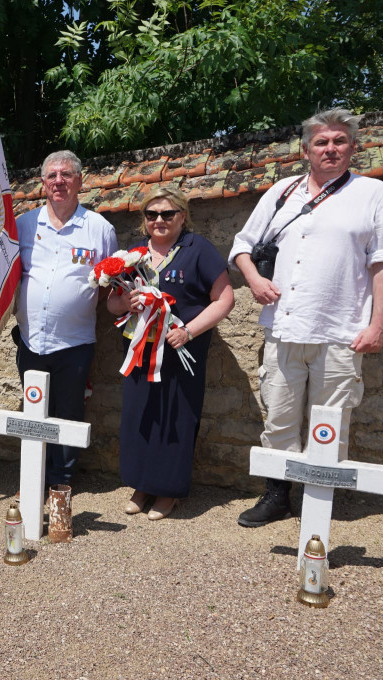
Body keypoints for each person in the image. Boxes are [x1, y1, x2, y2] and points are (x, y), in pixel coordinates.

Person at [229, 108, 383, 527]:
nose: (331, 149)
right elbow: (241, 245)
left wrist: (377, 325)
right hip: (284, 327)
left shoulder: (373, 194)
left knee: (330, 423)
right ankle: (276, 497)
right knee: (280, 418)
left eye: (339, 141)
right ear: (306, 149)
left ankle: (317, 500)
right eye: (321, 142)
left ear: (353, 147)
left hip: (340, 331)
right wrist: (253, 279)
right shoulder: (282, 193)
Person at [107, 186, 235, 520]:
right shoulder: (132, 256)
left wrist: (189, 331)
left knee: (176, 418)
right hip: (139, 352)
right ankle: (141, 484)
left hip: (181, 351)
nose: (159, 220)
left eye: (167, 214)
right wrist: (123, 302)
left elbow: (225, 299)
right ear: (144, 219)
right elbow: (111, 303)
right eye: (152, 215)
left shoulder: (198, 249)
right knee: (141, 416)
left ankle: (168, 491)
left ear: (182, 215)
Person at [15, 150, 118, 490]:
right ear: (43, 183)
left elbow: (108, 284)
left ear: (80, 181)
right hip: (30, 340)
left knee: (69, 413)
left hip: (74, 343)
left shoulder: (99, 229)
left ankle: (61, 480)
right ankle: (35, 476)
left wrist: (75, 304)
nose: (58, 181)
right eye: (52, 176)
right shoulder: (24, 225)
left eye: (66, 175)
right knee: (34, 409)